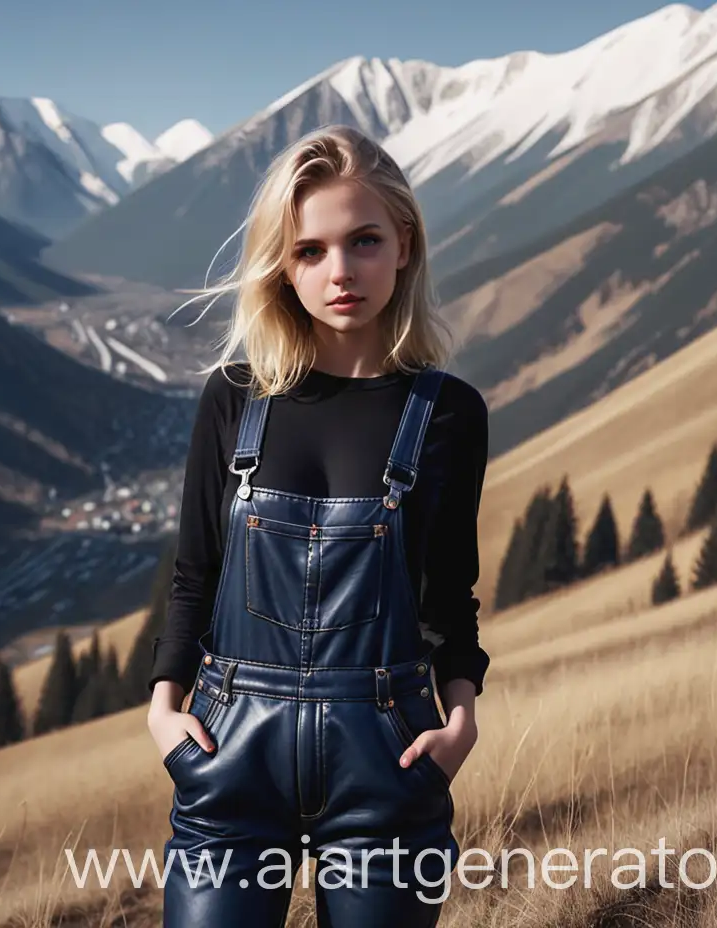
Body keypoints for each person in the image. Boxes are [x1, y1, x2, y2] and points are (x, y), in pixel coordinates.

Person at [146, 124, 491, 927]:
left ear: (403, 245)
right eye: (310, 251)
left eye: (363, 241)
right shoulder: (235, 396)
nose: (341, 272)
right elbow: (195, 573)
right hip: (231, 759)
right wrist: (164, 710)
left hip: (389, 758)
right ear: (283, 265)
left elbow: (448, 594)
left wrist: (463, 719)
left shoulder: (447, 413)